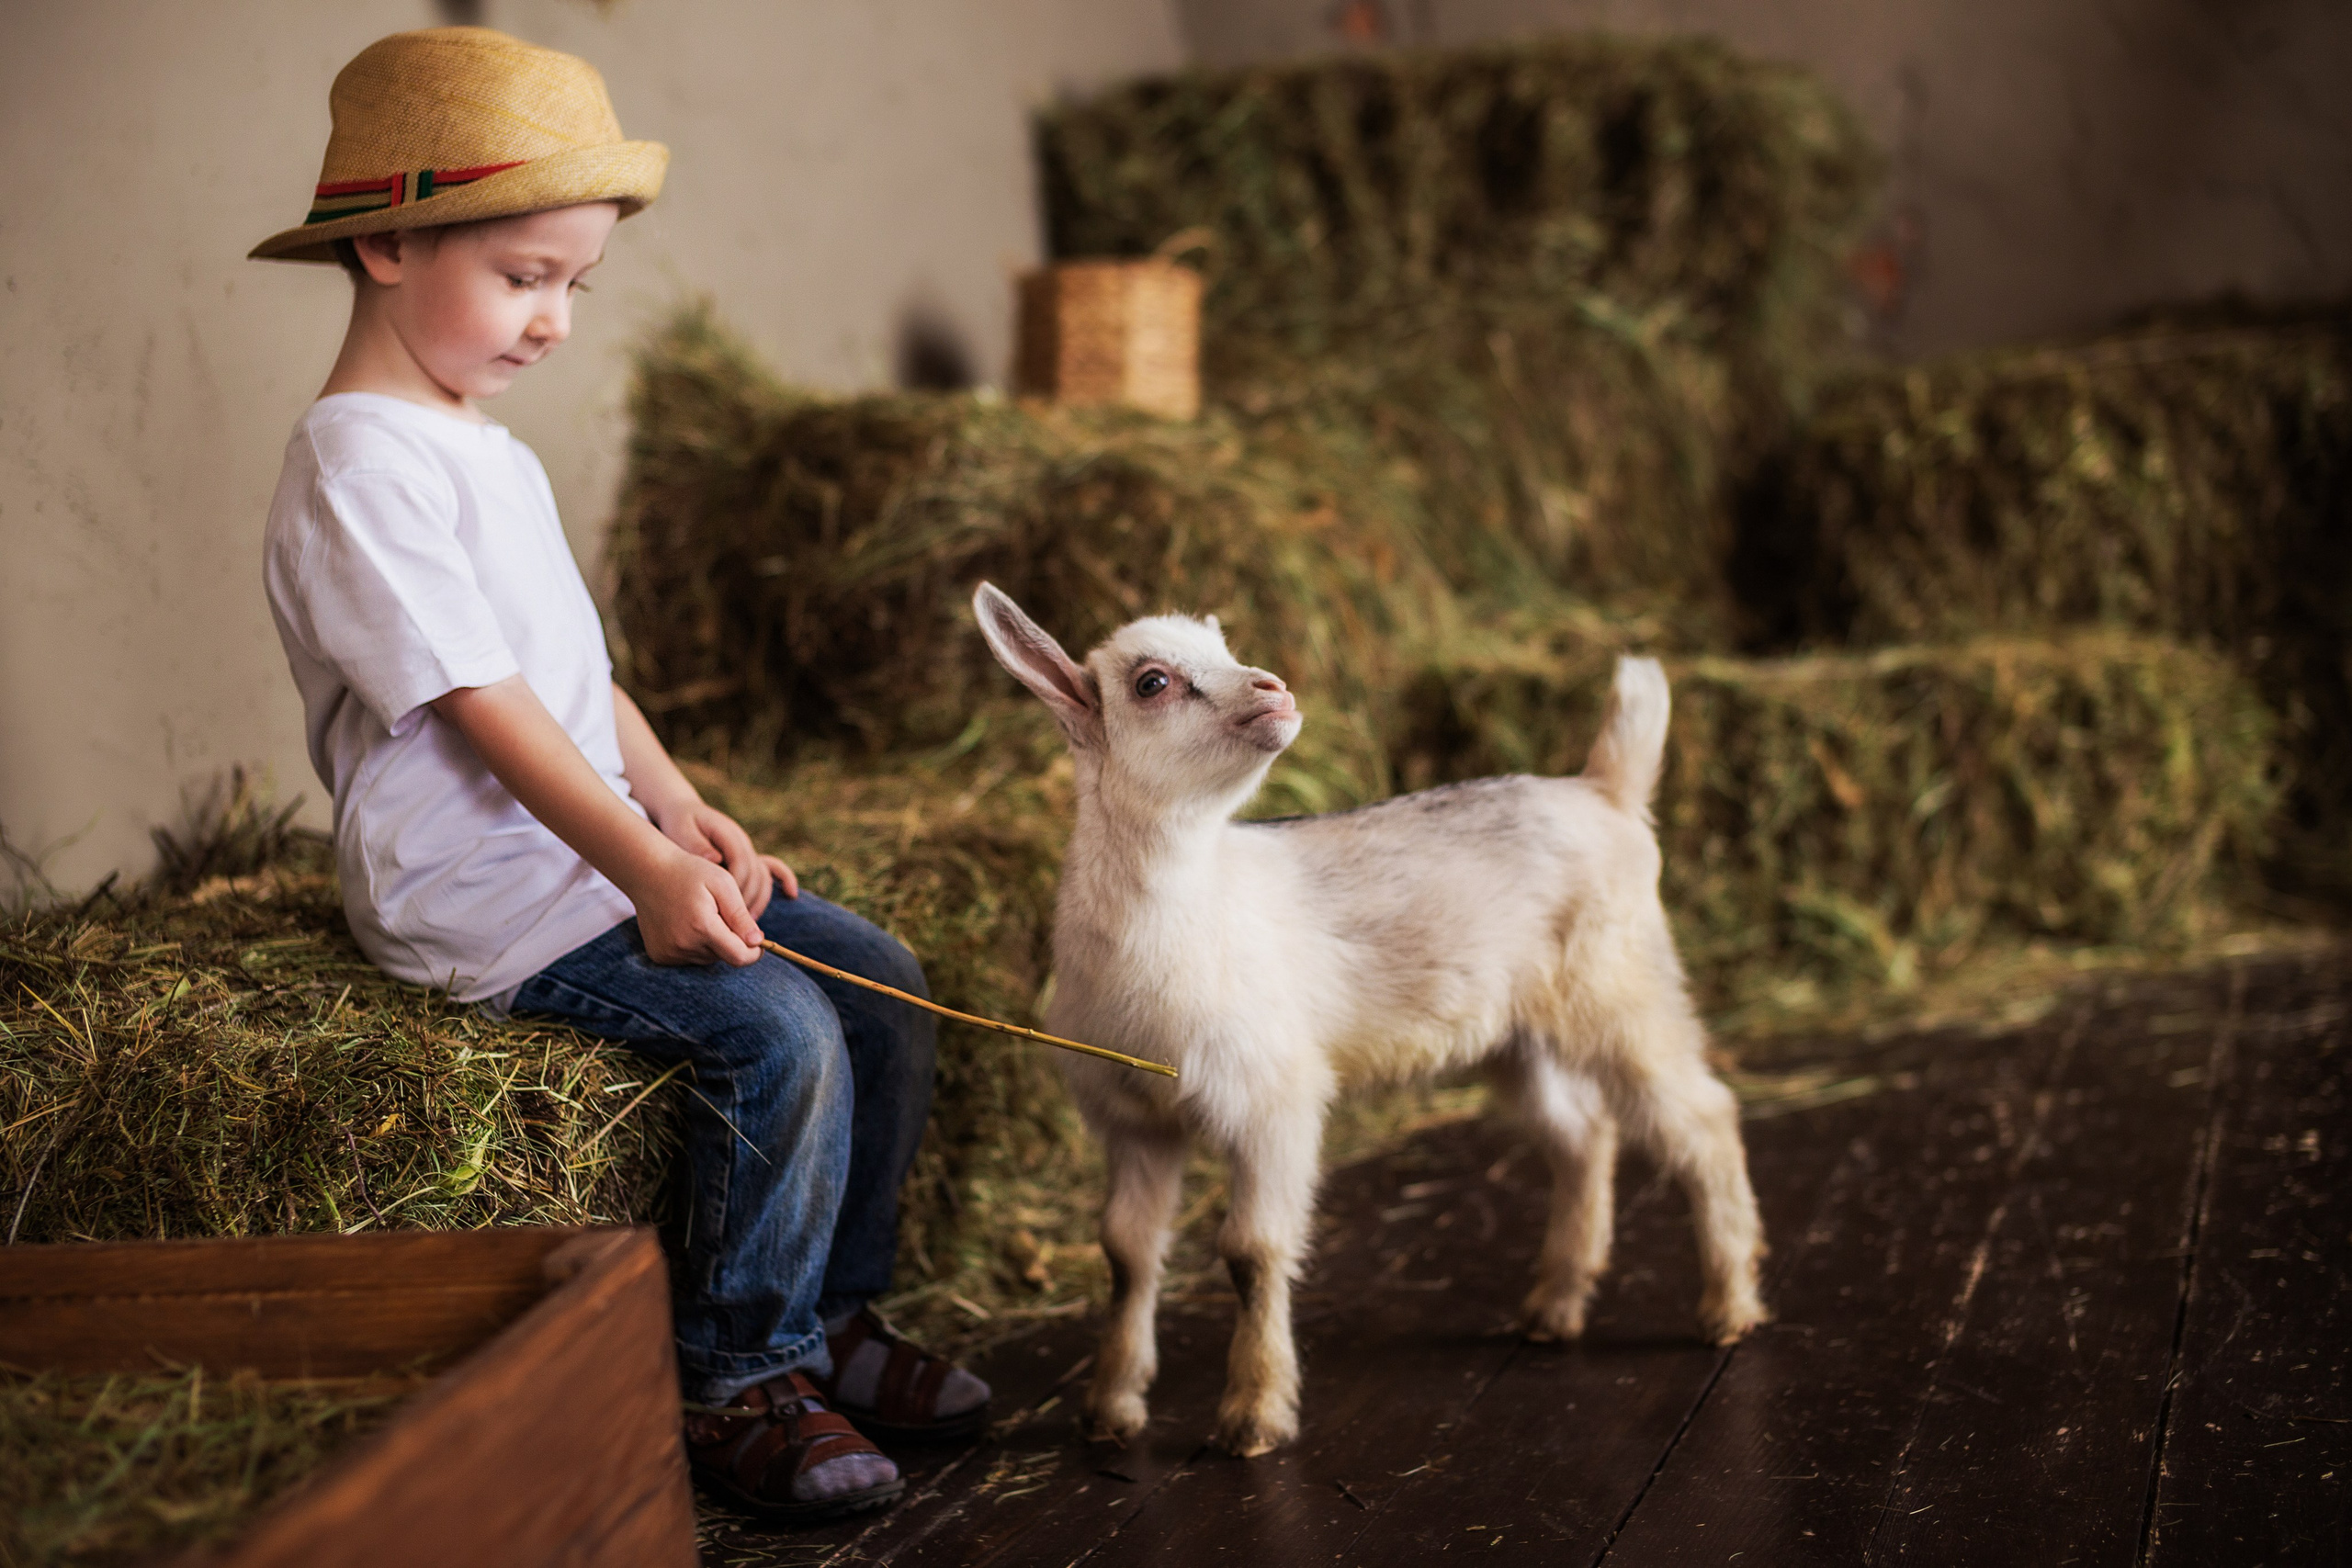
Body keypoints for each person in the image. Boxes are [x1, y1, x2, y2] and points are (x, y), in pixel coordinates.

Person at [252, 27, 987, 1527]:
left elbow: (570, 675)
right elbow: (480, 706)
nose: (555, 322)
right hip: (486, 893)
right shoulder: (357, 462)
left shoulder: (486, 450)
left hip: (588, 851)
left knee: (880, 986)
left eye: (575, 286)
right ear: (390, 240)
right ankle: (738, 1379)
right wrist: (648, 871)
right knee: (773, 1032)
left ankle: (836, 1318)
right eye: (524, 277)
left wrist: (674, 803)